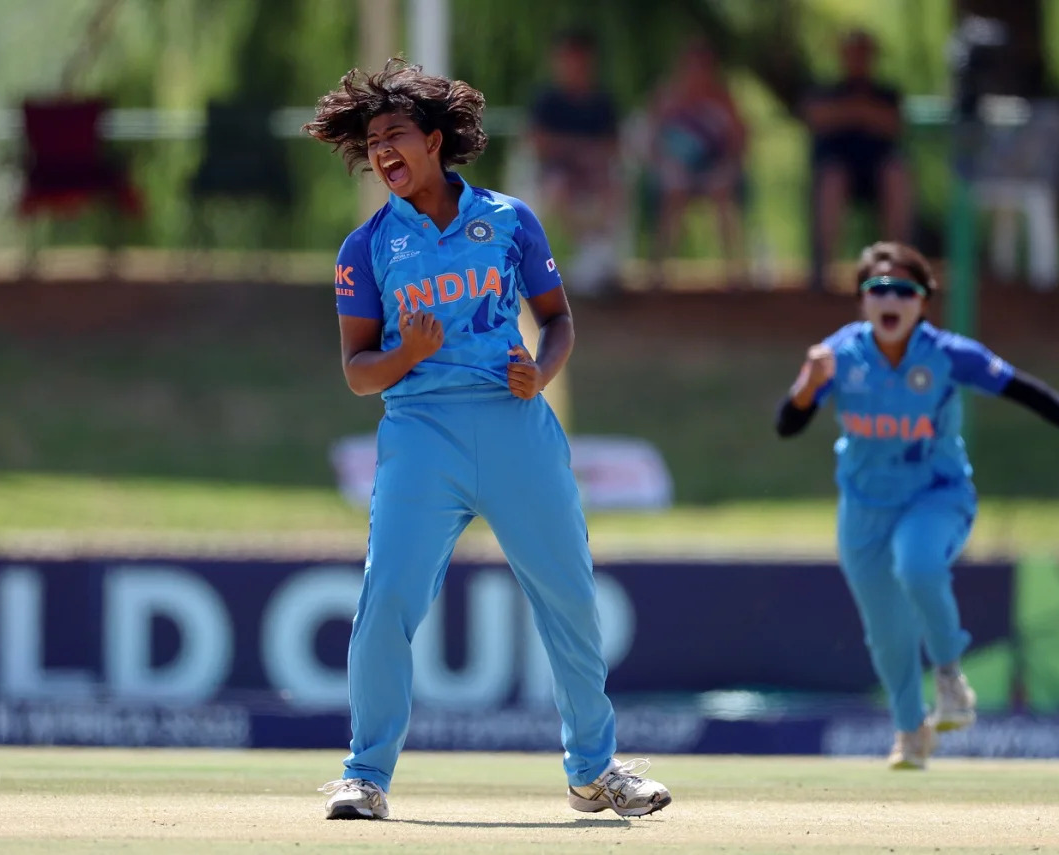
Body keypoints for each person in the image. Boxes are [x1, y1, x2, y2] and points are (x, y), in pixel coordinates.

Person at [303, 59, 671, 820]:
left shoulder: (509, 220)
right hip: (420, 434)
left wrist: (541, 371)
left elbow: (560, 318)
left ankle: (595, 772)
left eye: (395, 135)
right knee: (387, 601)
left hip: (516, 426)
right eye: (371, 141)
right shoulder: (365, 247)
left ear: (435, 141)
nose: (381, 153)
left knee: (568, 597)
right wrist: (406, 354)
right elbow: (358, 372)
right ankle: (364, 775)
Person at [774, 241, 1059, 769]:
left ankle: (949, 676)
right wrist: (808, 385)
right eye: (878, 289)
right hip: (864, 508)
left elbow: (1023, 390)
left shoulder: (947, 354)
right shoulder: (840, 355)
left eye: (903, 290)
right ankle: (912, 732)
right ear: (863, 301)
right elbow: (788, 425)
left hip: (936, 495)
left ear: (923, 302)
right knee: (887, 634)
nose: (890, 298)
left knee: (917, 566)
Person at [804, 30, 913, 291]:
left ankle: (897, 268)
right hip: (839, 172)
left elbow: (892, 124)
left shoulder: (887, 92)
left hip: (877, 174)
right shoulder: (825, 90)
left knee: (896, 175)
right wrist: (862, 112)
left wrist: (851, 112)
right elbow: (817, 117)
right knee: (832, 179)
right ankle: (823, 271)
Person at [527, 29, 623, 296]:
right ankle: (565, 256)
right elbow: (538, 142)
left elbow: (613, 146)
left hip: (593, 174)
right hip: (556, 174)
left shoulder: (601, 101)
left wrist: (587, 156)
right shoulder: (547, 100)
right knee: (559, 187)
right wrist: (577, 149)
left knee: (612, 188)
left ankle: (596, 257)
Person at [646, 39, 748, 285]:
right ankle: (659, 269)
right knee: (674, 188)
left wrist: (724, 166)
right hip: (676, 169)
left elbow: (739, 142)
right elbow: (651, 140)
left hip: (715, 169)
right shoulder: (667, 98)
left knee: (721, 189)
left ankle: (735, 270)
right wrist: (667, 164)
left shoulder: (724, 100)